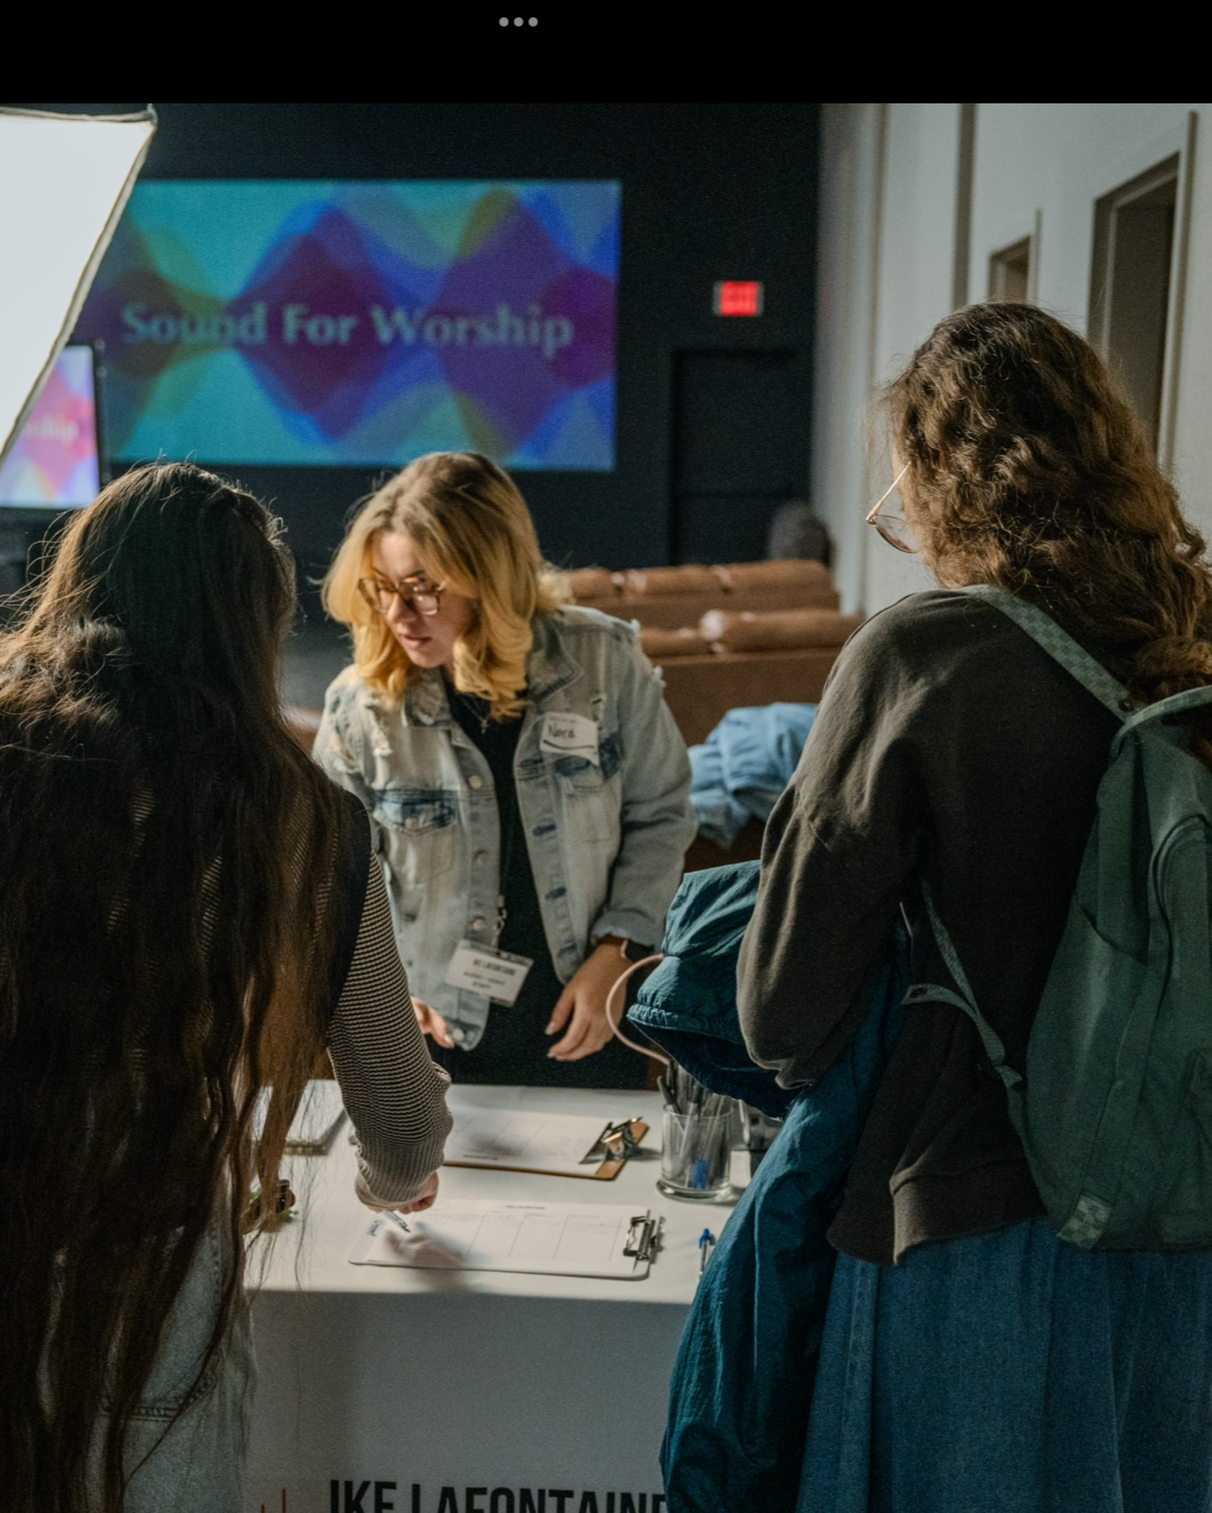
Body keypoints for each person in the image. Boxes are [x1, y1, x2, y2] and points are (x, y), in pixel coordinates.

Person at [0, 464, 451, 1513]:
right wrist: (389, 1191)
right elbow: (399, 1121)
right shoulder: (302, 821)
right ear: (253, 626)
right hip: (135, 1270)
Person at [740, 304, 1212, 1509]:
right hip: (1182, 1231)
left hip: (971, 1228)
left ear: (944, 481)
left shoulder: (922, 658)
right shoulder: (1197, 640)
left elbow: (781, 1014)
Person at [315, 451, 696, 1089]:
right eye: (382, 588)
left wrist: (618, 951)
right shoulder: (360, 708)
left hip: (588, 1014)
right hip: (431, 1035)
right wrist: (381, 1002)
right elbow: (333, 880)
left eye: (422, 587)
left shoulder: (602, 661)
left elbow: (662, 815)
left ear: (490, 576)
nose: (398, 616)